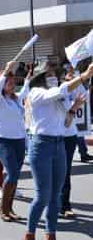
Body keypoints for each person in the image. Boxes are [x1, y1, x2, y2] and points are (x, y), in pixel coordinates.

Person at [24, 61, 93, 240]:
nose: (53, 77)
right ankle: (30, 233)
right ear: (40, 78)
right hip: (41, 146)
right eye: (48, 75)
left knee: (56, 194)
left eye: (54, 74)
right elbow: (60, 90)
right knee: (43, 195)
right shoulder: (36, 93)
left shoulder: (60, 97)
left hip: (59, 144)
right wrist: (83, 76)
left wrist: (73, 109)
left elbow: (66, 124)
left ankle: (50, 233)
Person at [0, 61, 31, 222]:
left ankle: (10, 208)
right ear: (1, 84)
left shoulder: (15, 100)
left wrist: (28, 78)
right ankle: (3, 207)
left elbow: (25, 91)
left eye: (13, 82)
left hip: (18, 140)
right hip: (2, 140)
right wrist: (7, 70)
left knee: (15, 176)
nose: (12, 85)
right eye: (8, 82)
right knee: (12, 172)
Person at [61, 68, 86, 218]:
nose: (70, 80)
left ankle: (65, 205)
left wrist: (78, 78)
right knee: (54, 173)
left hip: (70, 137)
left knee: (66, 173)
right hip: (55, 137)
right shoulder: (59, 94)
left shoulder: (75, 90)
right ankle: (53, 203)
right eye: (67, 79)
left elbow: (85, 96)